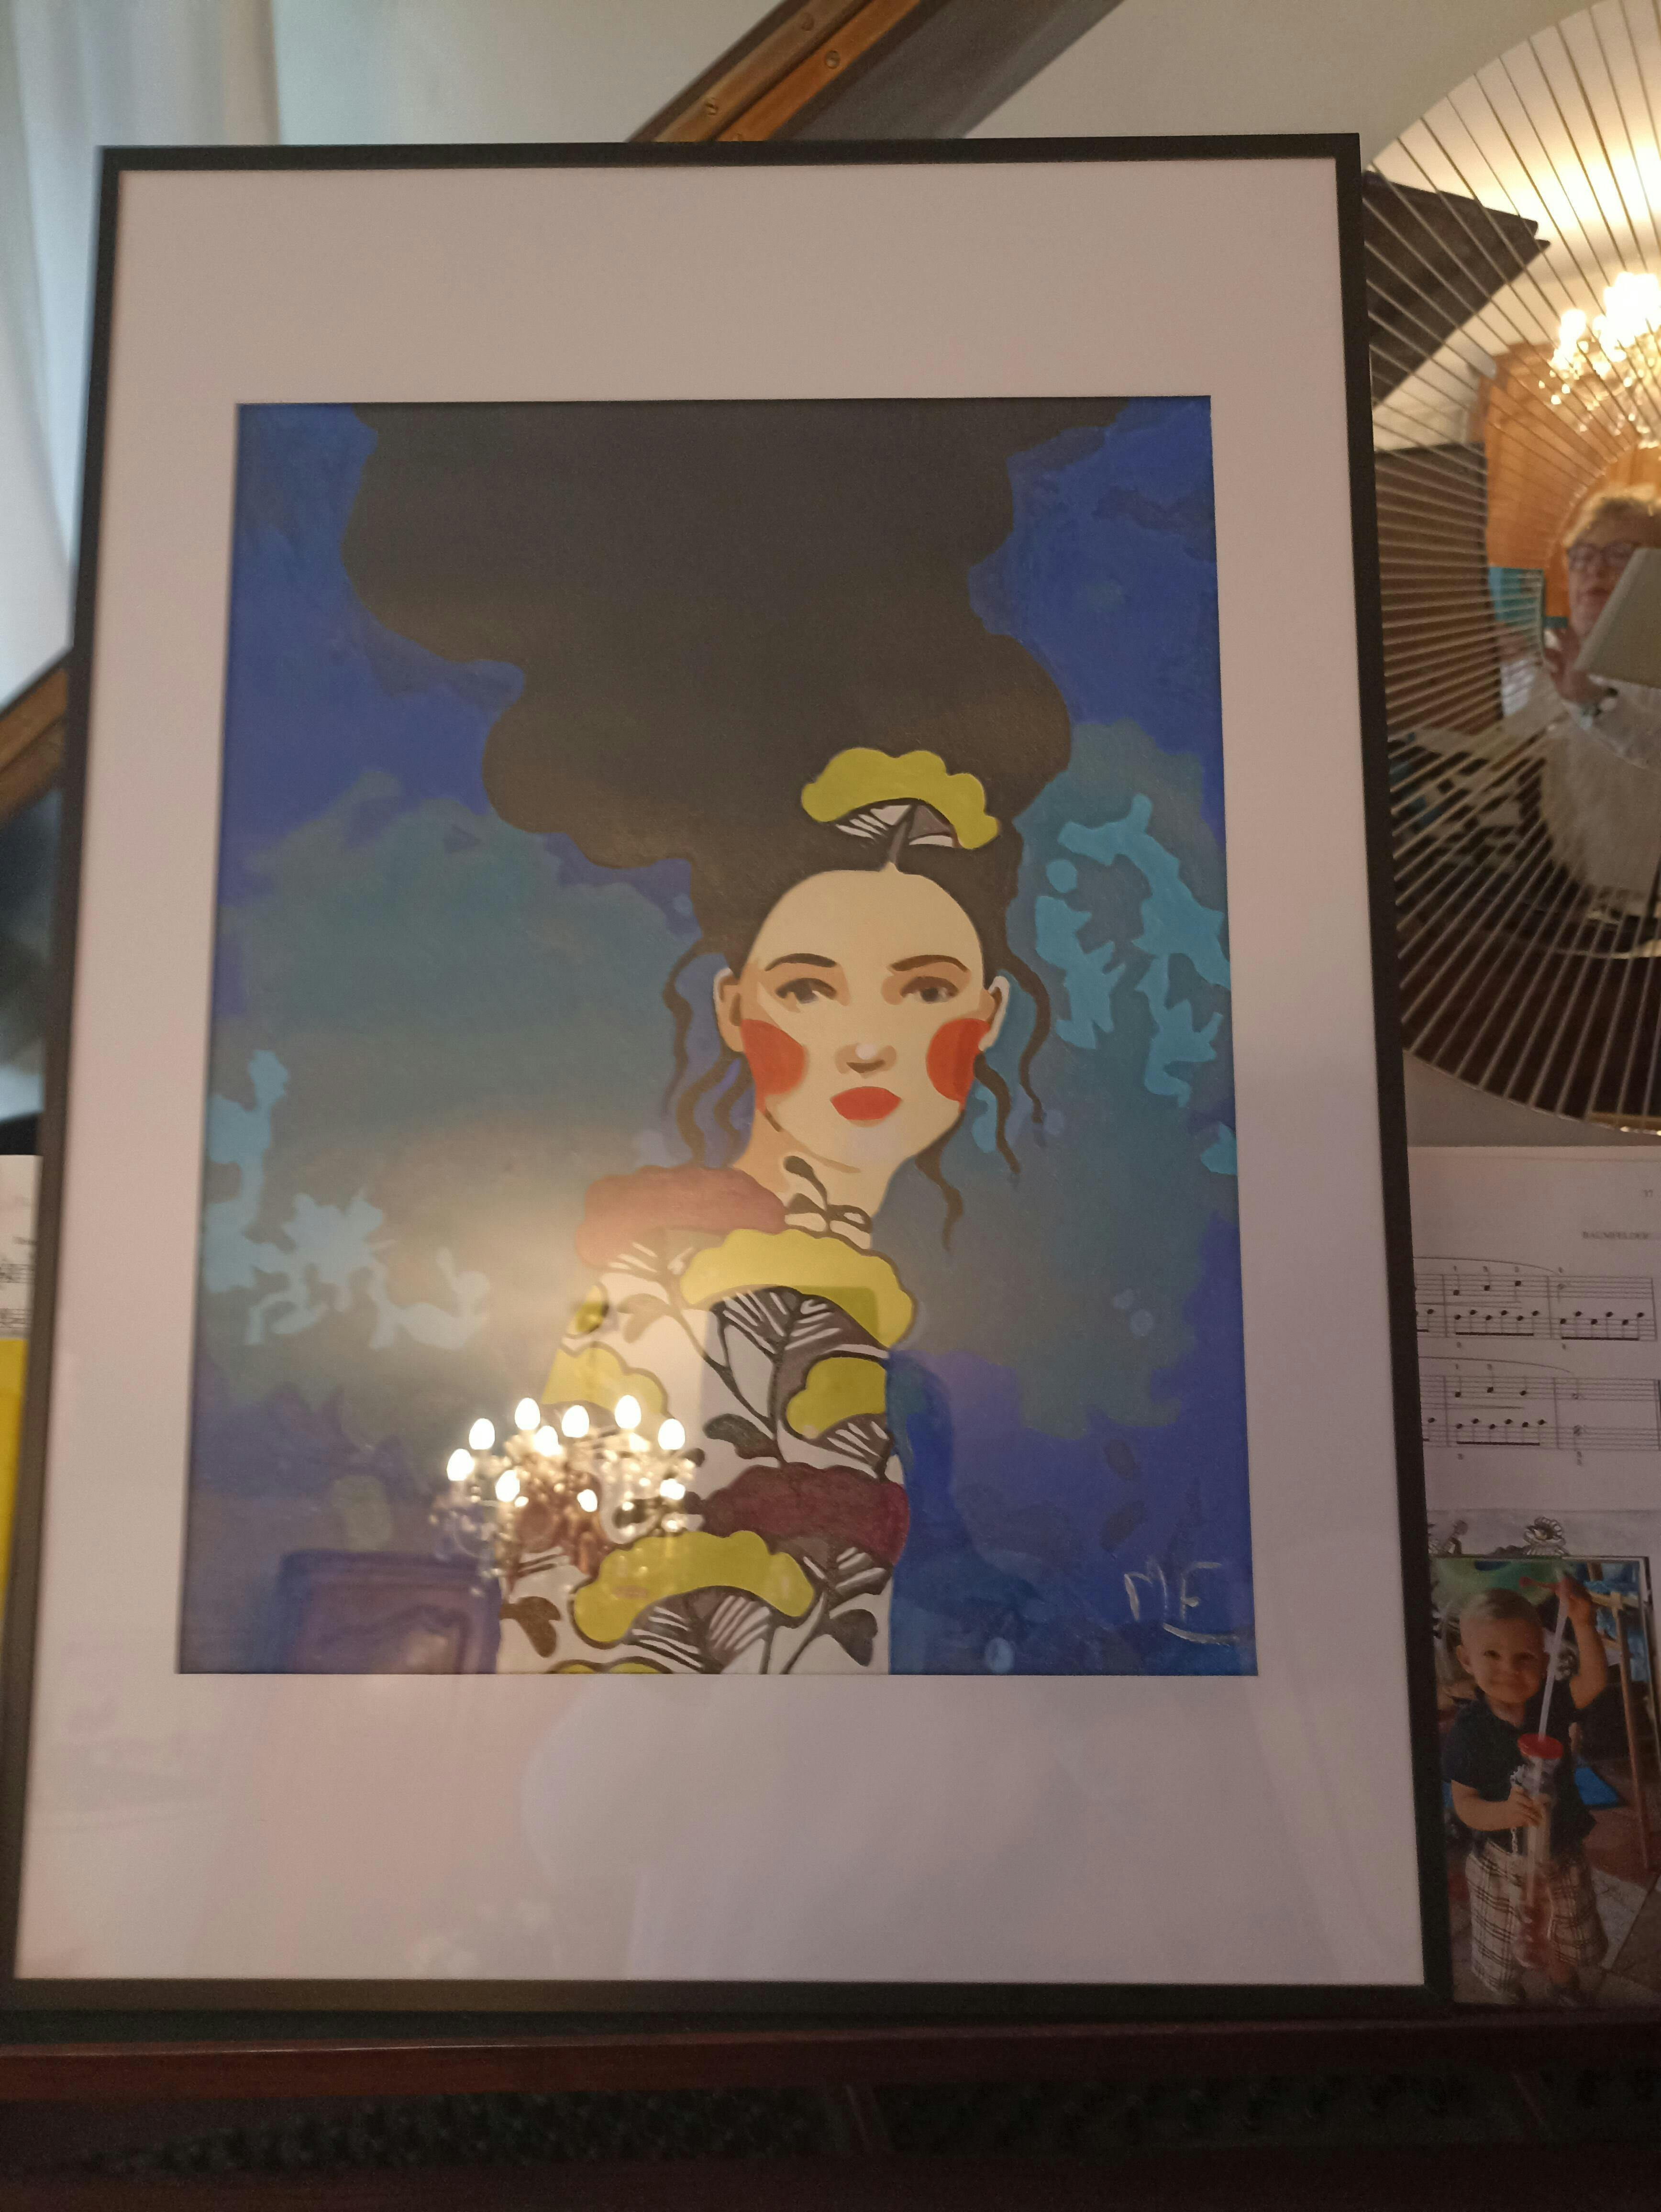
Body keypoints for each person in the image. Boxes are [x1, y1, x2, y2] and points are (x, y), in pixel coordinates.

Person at [1443, 1579, 1610, 2004]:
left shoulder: (1550, 1706)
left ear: (1544, 1660)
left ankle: (1564, 1985)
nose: (1510, 1669)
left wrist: (1584, 1624)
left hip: (1560, 1850)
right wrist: (1502, 1813)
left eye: (1525, 1657)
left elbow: (1593, 1680)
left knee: (1561, 1932)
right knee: (1502, 1942)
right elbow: (1464, 1804)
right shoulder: (1470, 1732)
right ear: (1467, 1660)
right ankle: (1507, 1999)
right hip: (1502, 1859)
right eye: (1492, 1655)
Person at [1522, 489, 1661, 903]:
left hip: (1642, 905)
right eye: (1582, 556)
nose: (1594, 570)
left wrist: (1595, 703)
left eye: (1620, 555)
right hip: (1560, 895)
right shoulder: (1550, 657)